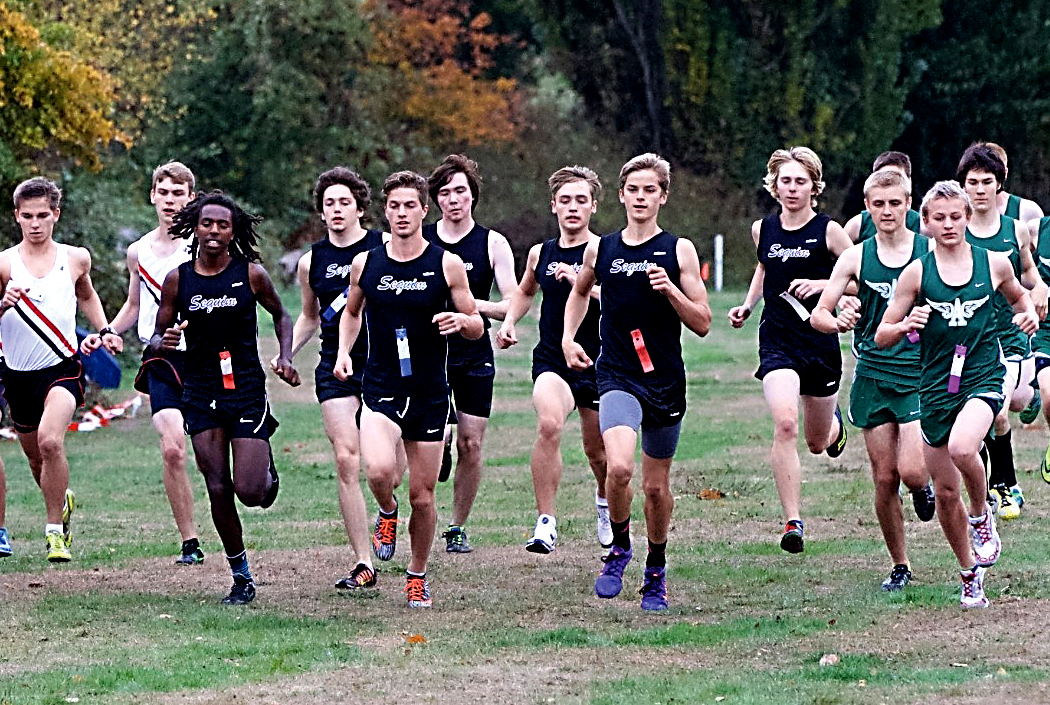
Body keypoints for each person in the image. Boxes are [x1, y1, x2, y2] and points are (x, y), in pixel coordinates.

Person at [875, 180, 1038, 608]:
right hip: (935, 387)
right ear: (925, 223)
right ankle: (969, 574)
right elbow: (882, 334)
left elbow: (1023, 300)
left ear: (968, 218)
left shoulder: (994, 263)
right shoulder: (917, 273)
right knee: (946, 493)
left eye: (956, 216)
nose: (949, 224)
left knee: (965, 448)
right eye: (939, 218)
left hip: (983, 374)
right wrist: (908, 323)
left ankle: (982, 515)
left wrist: (1028, 319)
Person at [563, 153, 711, 611]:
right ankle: (620, 549)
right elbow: (580, 292)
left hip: (665, 379)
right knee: (619, 468)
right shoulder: (600, 249)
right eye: (634, 189)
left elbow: (703, 322)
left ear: (662, 197)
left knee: (654, 487)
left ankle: (656, 569)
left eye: (651, 190)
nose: (641, 197)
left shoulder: (678, 250)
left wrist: (671, 290)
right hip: (617, 374)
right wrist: (569, 337)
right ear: (622, 194)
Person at [334, 170, 483, 608]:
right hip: (379, 386)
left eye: (409, 206)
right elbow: (352, 312)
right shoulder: (367, 263)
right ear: (386, 211)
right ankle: (385, 510)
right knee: (378, 471)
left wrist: (461, 323)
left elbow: (476, 324)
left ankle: (417, 574)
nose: (401, 213)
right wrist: (344, 351)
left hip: (430, 394)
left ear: (424, 210)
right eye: (394, 206)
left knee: (423, 495)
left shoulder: (446, 263)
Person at [153, 191, 299, 605]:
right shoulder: (178, 280)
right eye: (207, 224)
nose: (214, 231)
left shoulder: (250, 274)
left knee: (250, 491)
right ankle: (241, 576)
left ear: (233, 230)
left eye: (222, 224)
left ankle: (265, 471)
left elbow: (281, 314)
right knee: (217, 486)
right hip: (200, 390)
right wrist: (163, 339)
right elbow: (158, 334)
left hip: (246, 387)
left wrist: (285, 356)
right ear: (195, 228)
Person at [811, 169, 934, 592]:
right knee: (884, 477)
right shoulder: (855, 257)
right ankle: (900, 564)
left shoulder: (929, 251)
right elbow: (819, 314)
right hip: (873, 372)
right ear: (867, 207)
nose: (887, 211)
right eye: (878, 204)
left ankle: (925, 488)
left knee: (913, 471)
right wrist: (838, 319)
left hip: (920, 373)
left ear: (908, 205)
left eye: (895, 203)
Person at [728, 147, 853, 554]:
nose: (793, 188)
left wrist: (823, 287)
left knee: (816, 443)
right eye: (786, 181)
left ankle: (834, 428)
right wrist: (748, 304)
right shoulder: (761, 229)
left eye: (801, 181)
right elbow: (765, 267)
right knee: (785, 424)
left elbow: (861, 278)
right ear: (774, 185)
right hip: (777, 340)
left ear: (814, 187)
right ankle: (793, 521)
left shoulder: (830, 231)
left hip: (819, 340)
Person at [0, 176, 123, 562]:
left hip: (62, 368)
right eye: (27, 216)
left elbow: (86, 293)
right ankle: (62, 496)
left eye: (43, 215)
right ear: (17, 217)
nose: (35, 223)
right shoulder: (4, 263)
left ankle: (55, 532)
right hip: (16, 374)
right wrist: (3, 303)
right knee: (37, 460)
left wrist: (103, 330)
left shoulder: (75, 258)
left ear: (56, 214)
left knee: (51, 441)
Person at [495, 166, 608, 554]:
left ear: (593, 206)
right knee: (548, 424)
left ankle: (604, 501)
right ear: (553, 207)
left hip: (599, 360)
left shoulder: (607, 250)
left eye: (580, 200)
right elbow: (526, 292)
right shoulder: (540, 253)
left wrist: (582, 285)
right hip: (552, 358)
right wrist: (510, 321)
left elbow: (623, 302)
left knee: (598, 451)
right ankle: (546, 521)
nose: (572, 208)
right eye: (565, 200)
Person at [281, 167, 384, 591]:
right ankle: (364, 561)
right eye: (329, 204)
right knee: (347, 458)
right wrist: (287, 354)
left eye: (344, 202)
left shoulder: (383, 248)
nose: (337, 210)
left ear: (360, 207)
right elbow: (309, 315)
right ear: (321, 213)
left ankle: (389, 510)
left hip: (385, 365)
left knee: (386, 472)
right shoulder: (312, 262)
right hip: (334, 366)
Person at [108, 161, 203, 565]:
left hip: (202, 360)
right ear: (152, 196)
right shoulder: (138, 251)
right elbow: (135, 304)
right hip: (160, 359)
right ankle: (190, 541)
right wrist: (111, 330)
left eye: (178, 194)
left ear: (191, 199)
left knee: (216, 449)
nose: (170, 201)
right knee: (172, 450)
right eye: (163, 193)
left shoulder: (203, 247)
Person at [423, 155, 516, 553]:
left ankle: (457, 526)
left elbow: (512, 303)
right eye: (444, 193)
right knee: (435, 437)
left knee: (471, 444)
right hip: (428, 353)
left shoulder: (492, 243)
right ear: (435, 201)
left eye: (460, 191)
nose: (453, 200)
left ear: (473, 195)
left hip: (474, 354)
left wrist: (469, 308)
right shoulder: (421, 239)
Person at [957, 144, 1047, 520]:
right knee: (970, 415)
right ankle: (989, 489)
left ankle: (1005, 486)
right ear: (962, 186)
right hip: (963, 342)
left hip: (1007, 339)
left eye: (986, 182)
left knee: (995, 409)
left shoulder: (1016, 230)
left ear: (999, 186)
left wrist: (1039, 291)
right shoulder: (950, 230)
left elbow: (1030, 276)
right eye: (972, 182)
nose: (979, 189)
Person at [843, 151, 923, 242]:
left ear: (909, 181)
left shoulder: (923, 226)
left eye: (897, 178)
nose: (889, 182)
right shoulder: (858, 225)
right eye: (882, 177)